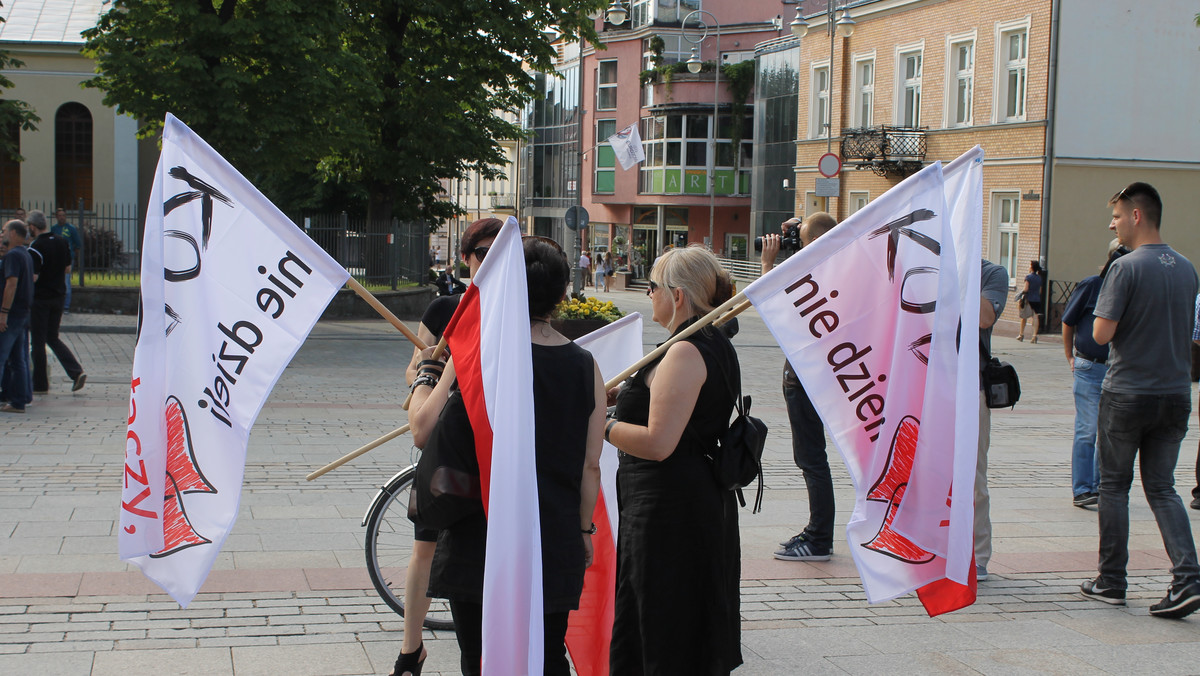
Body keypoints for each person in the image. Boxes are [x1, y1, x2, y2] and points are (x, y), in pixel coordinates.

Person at [407, 235, 605, 676]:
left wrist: (425, 372)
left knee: (480, 656)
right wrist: (584, 529)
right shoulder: (585, 365)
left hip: (482, 533)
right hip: (551, 535)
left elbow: (422, 430)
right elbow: (591, 463)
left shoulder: (477, 356)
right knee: (547, 653)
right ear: (562, 293)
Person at [606, 245, 742, 674]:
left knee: (664, 632)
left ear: (678, 295)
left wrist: (602, 426)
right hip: (677, 506)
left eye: (652, 287)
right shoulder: (704, 342)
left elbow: (659, 441)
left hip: (671, 514)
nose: (649, 295)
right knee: (664, 627)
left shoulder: (686, 351)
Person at [1081, 182, 1200, 618]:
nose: (1111, 224)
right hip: (1174, 392)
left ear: (1136, 216)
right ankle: (1187, 578)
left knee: (1113, 486)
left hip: (1128, 392)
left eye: (1115, 216)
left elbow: (1100, 334)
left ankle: (1111, 580)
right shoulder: (1187, 268)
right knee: (1163, 488)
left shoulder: (1126, 268)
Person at [391, 217, 502, 676]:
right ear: (465, 258)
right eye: (483, 256)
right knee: (426, 545)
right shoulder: (445, 310)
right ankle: (410, 647)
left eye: (501, 256)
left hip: (493, 446)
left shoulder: (518, 309)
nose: (490, 265)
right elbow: (414, 368)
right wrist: (431, 366)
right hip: (448, 442)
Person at [761, 213, 840, 562]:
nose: (798, 247)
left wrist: (768, 263)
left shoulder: (819, 273)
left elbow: (772, 306)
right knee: (810, 458)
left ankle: (820, 538)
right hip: (810, 374)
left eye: (803, 241)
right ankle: (816, 530)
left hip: (807, 376)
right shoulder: (835, 267)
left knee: (811, 458)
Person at [1061, 240, 1127, 508]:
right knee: (1087, 430)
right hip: (1089, 367)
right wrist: (1069, 356)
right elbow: (1068, 320)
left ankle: (1101, 487)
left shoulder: (1130, 288)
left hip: (1117, 368)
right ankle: (1082, 489)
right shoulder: (1092, 285)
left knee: (1108, 431)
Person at [26, 211, 86, 394]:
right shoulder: (61, 241)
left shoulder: (35, 247)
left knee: (38, 341)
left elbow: (34, 277)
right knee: (52, 337)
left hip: (41, 299)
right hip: (58, 296)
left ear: (32, 227)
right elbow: (68, 268)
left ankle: (40, 384)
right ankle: (76, 372)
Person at [977, 258, 1010, 581]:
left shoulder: (990, 273)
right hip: (924, 388)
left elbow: (985, 317)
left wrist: (955, 274)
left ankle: (976, 556)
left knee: (973, 477)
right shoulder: (918, 266)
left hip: (971, 389)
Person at [0, 220, 34, 413]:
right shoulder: (25, 254)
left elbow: (11, 284)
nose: (2, 234)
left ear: (13, 233)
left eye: (4, 230)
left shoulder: (12, 255)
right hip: (22, 313)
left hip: (11, 314)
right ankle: (19, 400)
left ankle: (16, 399)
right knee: (18, 359)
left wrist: (3, 313)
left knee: (2, 356)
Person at [51, 208, 82, 313]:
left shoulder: (71, 229)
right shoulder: (54, 229)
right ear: (56, 217)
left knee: (66, 281)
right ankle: (57, 304)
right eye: (59, 215)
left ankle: (66, 306)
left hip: (67, 259)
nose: (62, 217)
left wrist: (72, 256)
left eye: (63, 215)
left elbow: (78, 244)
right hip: (55, 259)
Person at [1017, 260, 1043, 342]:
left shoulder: (1028, 277)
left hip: (1028, 299)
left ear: (1031, 267)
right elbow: (1040, 291)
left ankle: (1021, 334)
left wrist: (1021, 294)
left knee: (1024, 317)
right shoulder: (1039, 278)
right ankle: (1034, 335)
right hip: (1036, 299)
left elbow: (1026, 289)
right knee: (1035, 317)